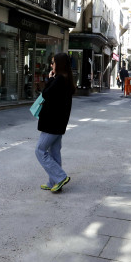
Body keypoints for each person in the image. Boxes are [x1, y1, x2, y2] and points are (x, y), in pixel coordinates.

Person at [35, 52, 75, 192]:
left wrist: (50, 79)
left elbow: (46, 94)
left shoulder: (58, 80)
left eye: (53, 63)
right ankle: (54, 183)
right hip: (59, 123)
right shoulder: (67, 79)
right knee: (54, 152)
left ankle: (60, 177)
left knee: (39, 150)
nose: (51, 65)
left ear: (59, 64)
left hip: (52, 124)